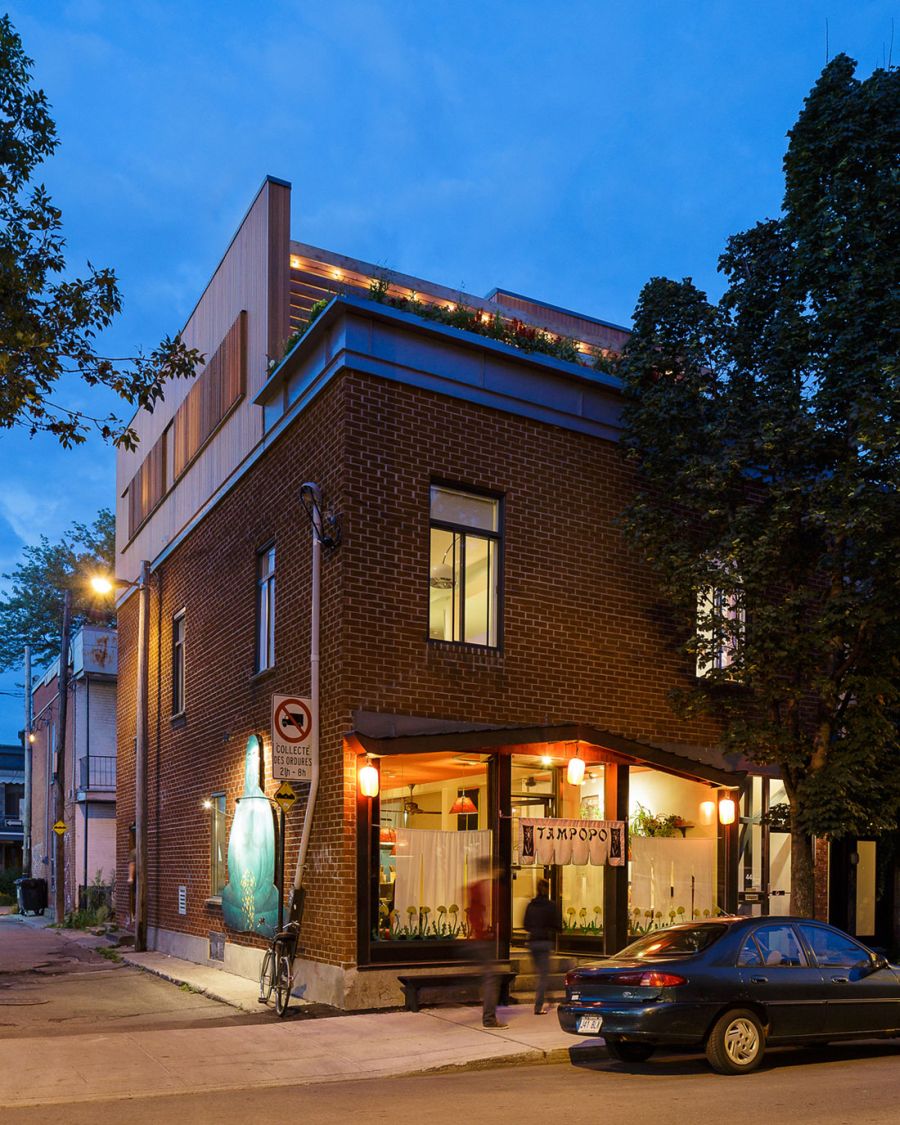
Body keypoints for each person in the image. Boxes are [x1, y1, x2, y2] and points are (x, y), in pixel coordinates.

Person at [467, 859, 507, 1029]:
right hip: (486, 940)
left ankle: (489, 1016)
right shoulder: (492, 888)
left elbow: (472, 913)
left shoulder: (474, 887)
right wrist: (488, 932)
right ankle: (489, 1018)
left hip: (479, 938)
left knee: (488, 976)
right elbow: (495, 915)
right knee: (491, 978)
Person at [524, 878, 561, 1015]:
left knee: (542, 973)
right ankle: (538, 1007)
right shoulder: (551, 906)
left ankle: (550, 999)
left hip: (532, 942)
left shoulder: (531, 905)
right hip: (544, 942)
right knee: (543, 975)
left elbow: (526, 925)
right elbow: (557, 926)